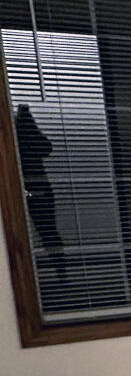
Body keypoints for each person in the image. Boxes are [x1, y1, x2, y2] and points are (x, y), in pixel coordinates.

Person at [14, 104, 66, 271]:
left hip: (32, 187)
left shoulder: (19, 139)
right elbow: (46, 148)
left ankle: (59, 268)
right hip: (38, 188)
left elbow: (46, 148)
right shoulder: (29, 139)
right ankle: (60, 269)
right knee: (47, 229)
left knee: (43, 229)